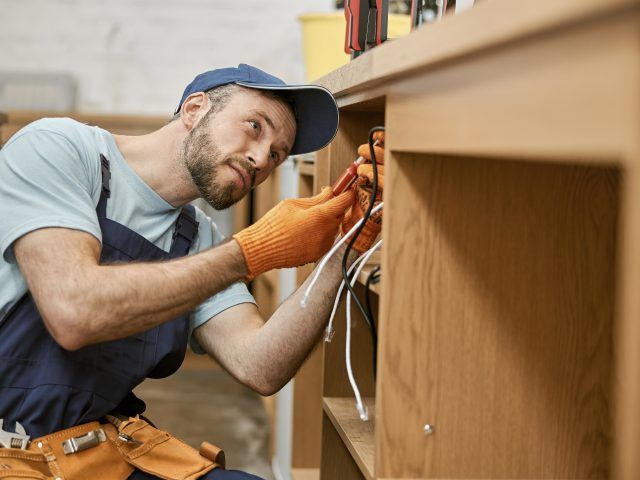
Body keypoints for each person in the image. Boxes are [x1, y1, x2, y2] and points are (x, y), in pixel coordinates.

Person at [0, 64, 382, 479]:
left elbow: (259, 365)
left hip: (93, 455)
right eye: (254, 126)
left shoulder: (196, 236)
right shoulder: (59, 150)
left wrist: (344, 251)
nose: (260, 159)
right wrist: (254, 251)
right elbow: (74, 311)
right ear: (195, 109)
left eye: (277, 154)